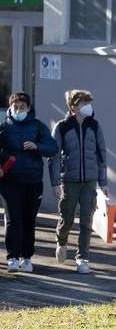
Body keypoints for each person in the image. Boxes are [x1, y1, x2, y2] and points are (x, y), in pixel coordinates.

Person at [0, 92, 57, 273]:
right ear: (10, 108)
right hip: (10, 182)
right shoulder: (2, 127)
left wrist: (37, 147)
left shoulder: (38, 127)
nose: (18, 110)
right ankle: (13, 258)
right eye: (15, 107)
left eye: (22, 107)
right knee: (13, 219)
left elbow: (53, 147)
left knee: (29, 220)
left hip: (33, 181)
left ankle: (27, 257)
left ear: (28, 108)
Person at [50, 90, 109, 274]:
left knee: (86, 220)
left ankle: (82, 258)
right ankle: (61, 241)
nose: (88, 106)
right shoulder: (62, 127)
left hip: (90, 181)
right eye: (84, 103)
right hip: (69, 180)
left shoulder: (94, 125)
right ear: (73, 107)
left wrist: (103, 181)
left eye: (88, 103)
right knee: (66, 217)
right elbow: (53, 156)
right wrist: (54, 182)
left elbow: (101, 154)